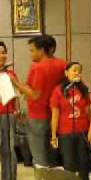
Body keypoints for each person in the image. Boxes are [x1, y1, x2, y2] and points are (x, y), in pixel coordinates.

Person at [10, 34, 67, 167]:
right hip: (56, 115)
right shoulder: (63, 64)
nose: (31, 53)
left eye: (32, 50)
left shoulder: (39, 67)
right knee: (53, 155)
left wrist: (15, 83)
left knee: (39, 157)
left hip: (38, 116)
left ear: (41, 50)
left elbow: (35, 95)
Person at [50, 62, 91, 180]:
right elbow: (55, 114)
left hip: (82, 131)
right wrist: (54, 135)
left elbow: (88, 111)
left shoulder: (83, 90)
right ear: (66, 73)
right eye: (74, 70)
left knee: (84, 163)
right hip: (66, 132)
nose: (77, 73)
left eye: (79, 70)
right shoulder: (59, 91)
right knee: (69, 164)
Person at [0, 41, 18, 180]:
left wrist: (17, 110)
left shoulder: (11, 73)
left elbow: (15, 95)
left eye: (4, 52)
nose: (2, 55)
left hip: (8, 114)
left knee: (9, 149)